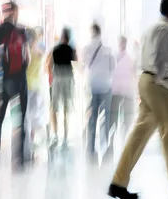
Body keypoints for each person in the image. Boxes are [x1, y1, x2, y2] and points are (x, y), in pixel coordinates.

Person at [108, 0, 168, 199]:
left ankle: (118, 182)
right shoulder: (163, 31)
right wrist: (165, 83)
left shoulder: (152, 28)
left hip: (146, 81)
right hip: (157, 84)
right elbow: (158, 61)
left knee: (140, 133)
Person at [0, 0, 30, 169]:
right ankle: (20, 160)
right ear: (15, 13)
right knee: (20, 122)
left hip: (2, 82)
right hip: (19, 82)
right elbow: (28, 57)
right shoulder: (22, 31)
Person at [83, 23, 115, 158]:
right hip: (106, 86)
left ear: (91, 32)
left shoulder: (86, 49)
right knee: (107, 117)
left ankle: (91, 148)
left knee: (93, 118)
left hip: (93, 86)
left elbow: (85, 65)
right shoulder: (108, 50)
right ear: (100, 33)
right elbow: (113, 67)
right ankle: (106, 144)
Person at [107, 36, 137, 155]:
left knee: (114, 118)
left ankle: (112, 142)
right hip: (126, 92)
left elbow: (109, 73)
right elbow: (134, 75)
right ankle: (122, 141)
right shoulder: (129, 59)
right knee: (125, 119)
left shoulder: (114, 58)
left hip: (116, 92)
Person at [47, 28, 77, 148]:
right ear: (69, 38)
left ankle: (55, 134)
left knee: (54, 108)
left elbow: (49, 64)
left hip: (57, 79)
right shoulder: (71, 49)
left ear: (61, 36)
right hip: (68, 79)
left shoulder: (55, 48)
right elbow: (76, 63)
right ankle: (65, 137)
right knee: (66, 108)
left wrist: (51, 78)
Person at [25, 29, 49, 151]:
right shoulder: (40, 51)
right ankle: (35, 136)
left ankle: (31, 138)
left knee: (28, 114)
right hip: (37, 86)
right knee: (34, 113)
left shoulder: (27, 52)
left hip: (27, 85)